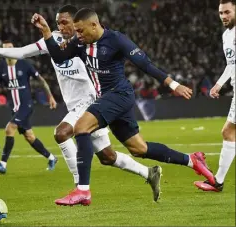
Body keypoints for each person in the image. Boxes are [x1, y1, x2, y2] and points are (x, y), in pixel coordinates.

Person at [0, 4, 164, 198]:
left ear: (77, 22)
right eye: (57, 24)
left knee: (61, 133)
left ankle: (80, 187)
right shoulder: (53, 41)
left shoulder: (87, 40)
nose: (61, 27)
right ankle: (149, 173)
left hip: (92, 100)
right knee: (107, 157)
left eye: (65, 23)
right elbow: (23, 52)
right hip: (75, 104)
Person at [30, 8, 215, 206]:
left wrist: (173, 84)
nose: (78, 35)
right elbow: (59, 57)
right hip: (107, 98)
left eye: (81, 31)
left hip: (119, 94)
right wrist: (47, 33)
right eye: (77, 31)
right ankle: (192, 160)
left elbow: (145, 64)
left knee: (81, 128)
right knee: (139, 148)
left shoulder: (116, 40)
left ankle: (82, 190)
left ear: (94, 25)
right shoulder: (80, 42)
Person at [0, 40, 58, 174]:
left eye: (11, 48)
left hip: (26, 105)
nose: (8, 52)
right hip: (14, 107)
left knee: (9, 129)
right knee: (29, 136)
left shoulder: (24, 64)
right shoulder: (1, 67)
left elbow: (41, 80)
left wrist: (50, 97)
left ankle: (2, 164)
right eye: (5, 49)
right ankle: (51, 158)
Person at [194, 0, 235, 192]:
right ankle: (217, 181)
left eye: (227, 12)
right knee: (229, 132)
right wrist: (218, 84)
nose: (224, 16)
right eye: (221, 13)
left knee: (228, 132)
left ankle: (217, 181)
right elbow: (231, 64)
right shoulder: (226, 36)